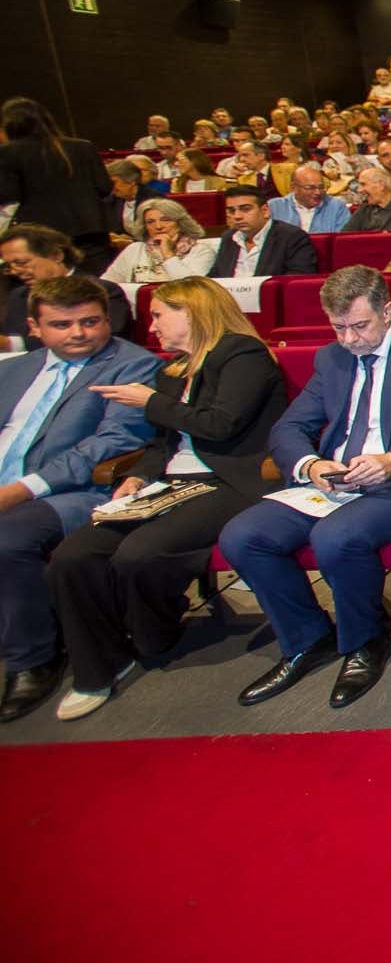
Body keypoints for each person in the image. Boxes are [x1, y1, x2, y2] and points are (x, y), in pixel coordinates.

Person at [215, 268, 391, 709]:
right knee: (243, 535)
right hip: (335, 480)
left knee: (336, 537)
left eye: (360, 325)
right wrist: (310, 464)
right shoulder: (331, 359)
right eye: (338, 327)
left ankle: (364, 641)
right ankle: (307, 638)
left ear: (387, 311)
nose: (349, 339)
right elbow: (291, 426)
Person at [46, 278, 287, 721]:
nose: (150, 324)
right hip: (169, 484)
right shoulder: (173, 370)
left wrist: (152, 401)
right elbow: (163, 444)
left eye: (159, 314)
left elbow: (221, 425)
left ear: (192, 311)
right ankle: (98, 665)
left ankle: (151, 636)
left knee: (139, 554)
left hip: (227, 481)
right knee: (72, 556)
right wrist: (138, 476)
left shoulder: (242, 355)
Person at [0, 276, 159, 722]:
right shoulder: (12, 370)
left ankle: (31, 658)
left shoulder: (131, 365)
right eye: (62, 324)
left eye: (90, 321)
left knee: (6, 539)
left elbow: (111, 442)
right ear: (35, 326)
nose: (78, 333)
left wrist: (21, 489)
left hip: (78, 490)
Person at [0, 98, 116, 276]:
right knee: (100, 285)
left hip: (43, 238)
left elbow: (8, 196)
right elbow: (104, 188)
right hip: (92, 233)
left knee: (54, 292)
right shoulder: (84, 147)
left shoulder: (8, 153)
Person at [1, 226, 132, 350]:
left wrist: (11, 344)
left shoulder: (102, 291)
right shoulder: (18, 296)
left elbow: (99, 341)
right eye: (9, 266)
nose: (14, 271)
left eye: (21, 263)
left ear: (56, 255)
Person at [208, 186, 319, 278]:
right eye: (231, 211)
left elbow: (297, 279)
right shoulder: (229, 237)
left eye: (245, 209)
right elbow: (216, 276)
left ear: (265, 211)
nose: (237, 216)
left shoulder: (291, 237)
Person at [103, 199, 219, 283]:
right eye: (150, 222)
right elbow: (107, 284)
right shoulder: (134, 249)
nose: (158, 226)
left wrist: (168, 254)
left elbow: (189, 288)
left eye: (166, 220)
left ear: (180, 224)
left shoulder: (201, 252)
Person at [268, 164, 351, 233]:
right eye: (310, 187)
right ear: (293, 188)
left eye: (321, 187)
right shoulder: (274, 207)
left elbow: (342, 240)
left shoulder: (337, 206)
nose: (317, 192)